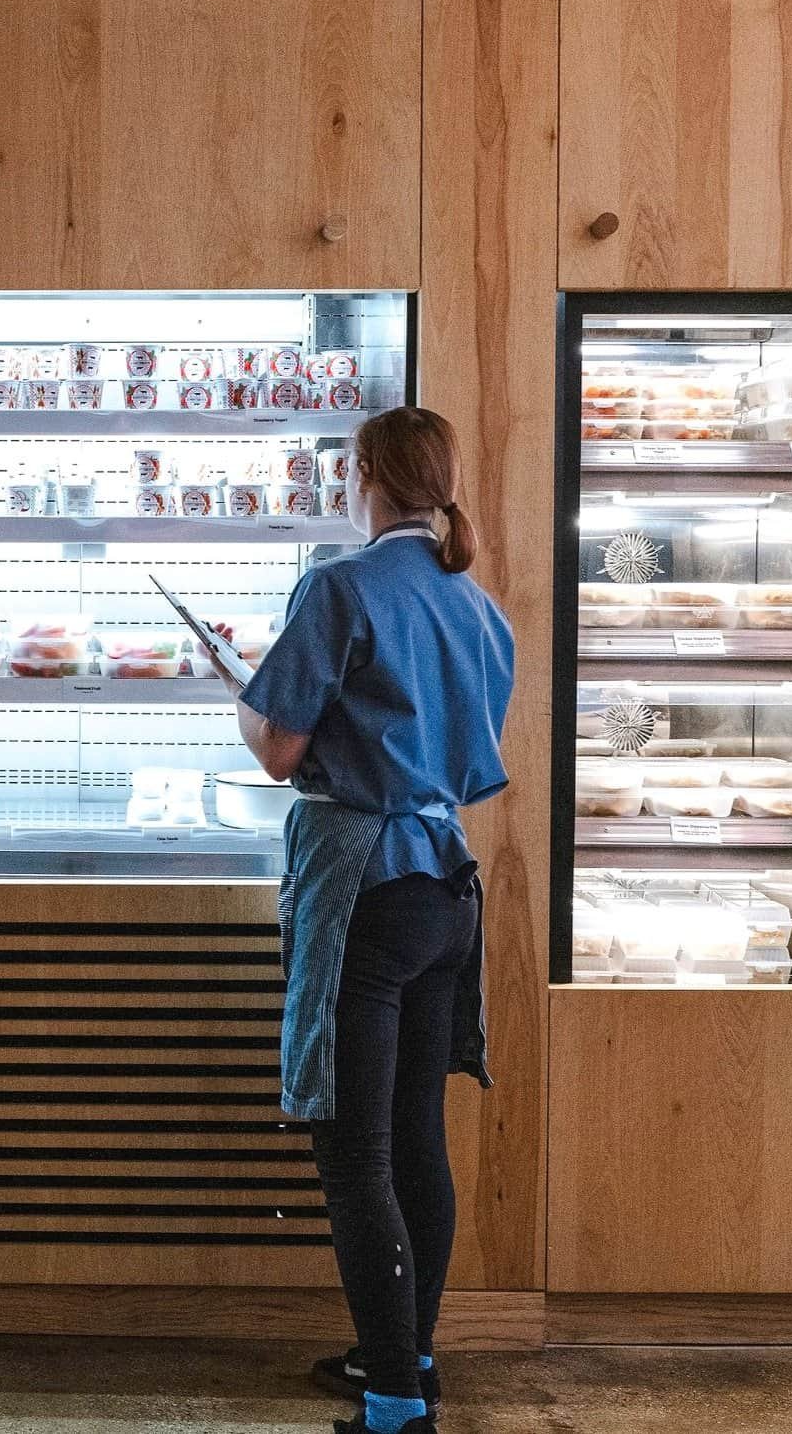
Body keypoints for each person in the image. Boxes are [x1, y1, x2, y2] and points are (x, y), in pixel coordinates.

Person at [207, 406, 513, 1434]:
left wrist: (242, 693)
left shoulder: (337, 587)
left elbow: (278, 750)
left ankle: (390, 1405)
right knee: (417, 1140)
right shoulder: (474, 602)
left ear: (365, 477)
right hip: (444, 886)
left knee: (352, 1154)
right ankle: (407, 1358)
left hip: (365, 888)